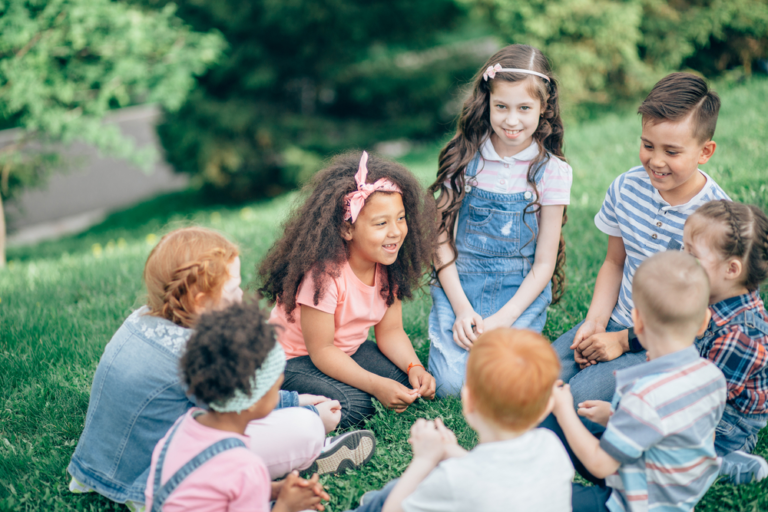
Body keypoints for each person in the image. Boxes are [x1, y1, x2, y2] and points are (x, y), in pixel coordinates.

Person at [68, 227, 372, 510]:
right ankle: (311, 451)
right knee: (304, 429)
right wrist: (309, 413)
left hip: (96, 464)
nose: (240, 297)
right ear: (201, 302)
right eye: (234, 290)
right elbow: (242, 406)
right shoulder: (198, 351)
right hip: (157, 480)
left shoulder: (140, 320)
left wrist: (297, 399)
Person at [551, 72, 729, 412]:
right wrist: (595, 322)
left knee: (578, 400)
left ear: (705, 151)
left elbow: (700, 315)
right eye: (648, 145)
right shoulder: (626, 188)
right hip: (617, 319)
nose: (656, 161)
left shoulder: (716, 218)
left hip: (667, 343)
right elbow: (614, 262)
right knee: (538, 375)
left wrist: (623, 341)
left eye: (672, 151)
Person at [427, 44, 572, 397]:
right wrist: (462, 309)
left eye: (524, 108)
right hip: (461, 286)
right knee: (450, 386)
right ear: (487, 102)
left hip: (518, 292)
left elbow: (544, 264)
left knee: (503, 382)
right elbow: (440, 240)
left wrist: (505, 319)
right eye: (501, 106)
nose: (511, 120)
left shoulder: (552, 172)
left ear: (543, 107)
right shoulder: (464, 158)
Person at [261, 151, 437, 428]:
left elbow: (391, 331)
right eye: (381, 223)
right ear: (347, 229)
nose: (395, 231)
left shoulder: (388, 267)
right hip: (292, 361)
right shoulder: (324, 276)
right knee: (355, 406)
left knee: (404, 381)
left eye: (401, 218)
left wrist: (415, 367)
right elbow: (322, 350)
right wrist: (375, 385)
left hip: (346, 351)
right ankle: (281, 405)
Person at [549, 251, 726, 511]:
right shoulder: (713, 376)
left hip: (633, 502)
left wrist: (564, 410)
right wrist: (615, 415)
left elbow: (600, 464)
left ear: (637, 323)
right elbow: (694, 435)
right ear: (704, 322)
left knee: (544, 496)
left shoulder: (642, 393)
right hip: (674, 495)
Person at [353, 328, 573, 512]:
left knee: (396, 491)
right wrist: (451, 451)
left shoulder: (454, 479)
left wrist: (425, 459)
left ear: (468, 402)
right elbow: (498, 477)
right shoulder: (553, 448)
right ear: (547, 407)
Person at [145, 301, 334, 512]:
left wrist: (273, 490)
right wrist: (285, 506)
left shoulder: (183, 426)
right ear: (253, 399)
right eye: (276, 386)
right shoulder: (245, 467)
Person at [683, 200, 768, 484]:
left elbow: (701, 402)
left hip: (728, 425)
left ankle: (726, 464)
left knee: (659, 449)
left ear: (731, 269)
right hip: (707, 390)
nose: (683, 261)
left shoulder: (740, 335)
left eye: (693, 256)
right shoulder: (716, 294)